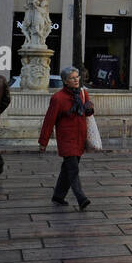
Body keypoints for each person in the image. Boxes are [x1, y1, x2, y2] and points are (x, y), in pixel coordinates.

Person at [38, 67, 94, 210]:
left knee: (67, 169)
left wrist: (89, 107)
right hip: (66, 140)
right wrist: (43, 142)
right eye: (72, 78)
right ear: (65, 81)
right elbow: (49, 120)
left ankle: (58, 196)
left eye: (77, 77)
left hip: (80, 138)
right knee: (73, 169)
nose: (76, 80)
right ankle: (81, 198)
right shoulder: (58, 98)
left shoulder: (82, 93)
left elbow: (88, 111)